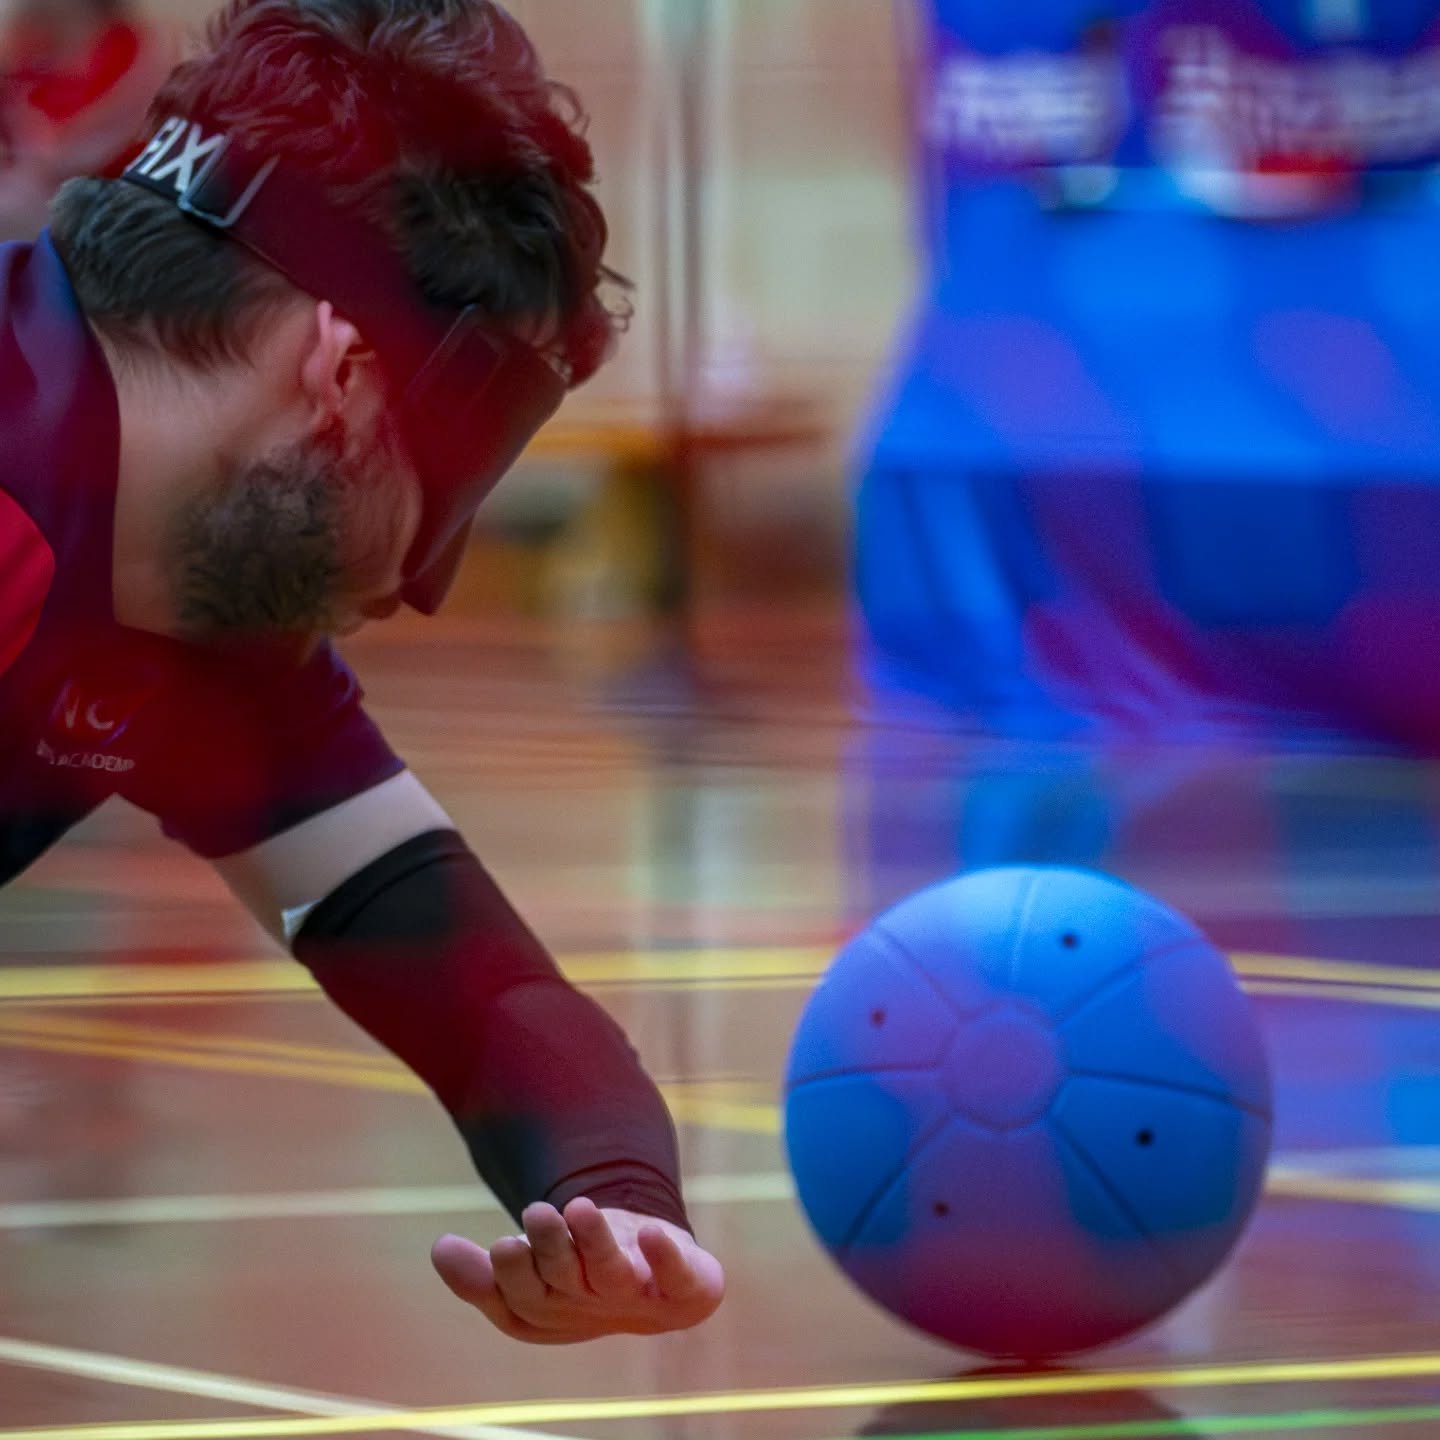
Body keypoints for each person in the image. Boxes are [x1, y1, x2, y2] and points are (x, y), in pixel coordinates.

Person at [0, 0, 726, 1344]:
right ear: (340, 379)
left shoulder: (196, 625)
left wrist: (614, 1203)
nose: (410, 588)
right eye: (444, 496)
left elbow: (484, 991)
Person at [0, 0, 178, 240]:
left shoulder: (137, 51)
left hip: (106, 213)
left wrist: (31, 157)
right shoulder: (31, 52)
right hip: (42, 203)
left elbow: (72, 159)